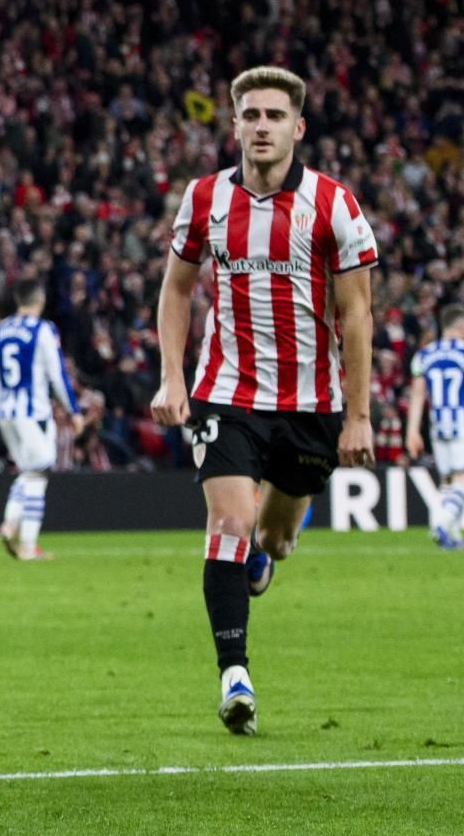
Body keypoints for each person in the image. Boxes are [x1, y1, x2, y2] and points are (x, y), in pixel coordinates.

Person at [151, 65, 377, 737]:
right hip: (226, 393)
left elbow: (357, 314)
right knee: (228, 521)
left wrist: (359, 416)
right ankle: (235, 676)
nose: (261, 127)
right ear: (234, 125)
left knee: (274, 538)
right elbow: (177, 288)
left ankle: (261, 555)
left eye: (275, 116)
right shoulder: (205, 198)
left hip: (310, 404)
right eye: (250, 115)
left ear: (297, 128)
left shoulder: (334, 204)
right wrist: (172, 377)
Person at [0, 277, 82, 561]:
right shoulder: (43, 329)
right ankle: (13, 525)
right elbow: (57, 374)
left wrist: (2, 401)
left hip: (7, 413)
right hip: (33, 413)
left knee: (31, 471)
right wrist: (74, 411)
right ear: (40, 299)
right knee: (39, 470)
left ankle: (25, 541)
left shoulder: (0, 329)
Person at [405, 306, 464, 550]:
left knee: (448, 481)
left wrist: (412, 431)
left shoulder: (424, 354)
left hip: (438, 426)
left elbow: (417, 395)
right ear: (463, 326)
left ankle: (453, 536)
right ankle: (441, 523)